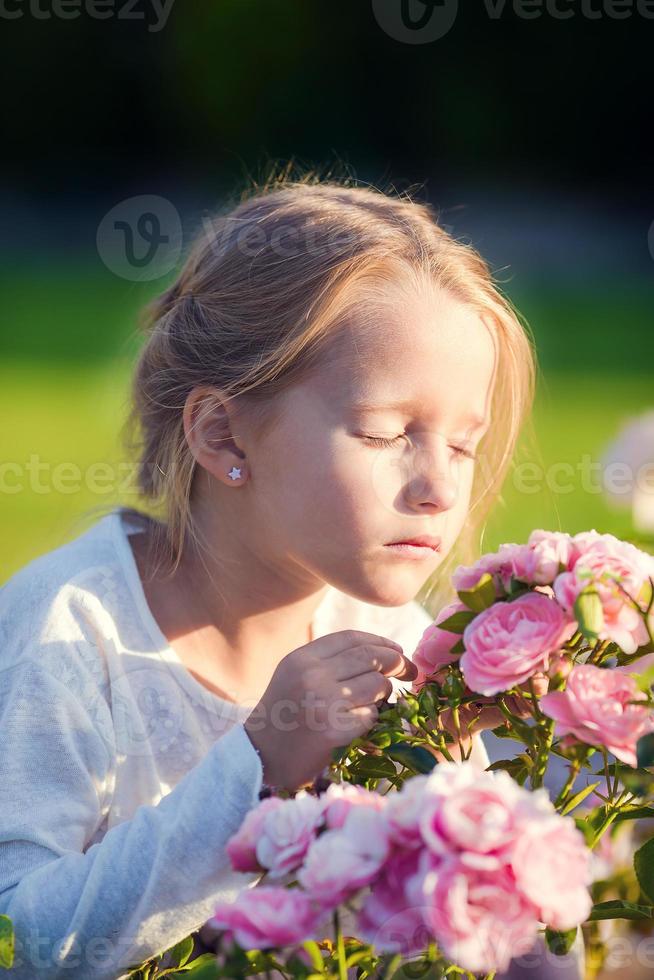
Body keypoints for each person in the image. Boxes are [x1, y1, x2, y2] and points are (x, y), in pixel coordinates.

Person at [0, 171, 539, 978]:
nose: (440, 486)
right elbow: (21, 938)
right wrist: (254, 770)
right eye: (386, 432)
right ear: (224, 436)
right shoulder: (71, 631)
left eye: (462, 444)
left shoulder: (396, 640)